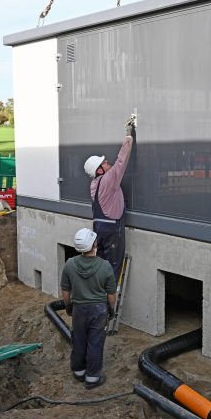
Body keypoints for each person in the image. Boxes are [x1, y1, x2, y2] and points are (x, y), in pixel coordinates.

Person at [61, 228, 116, 389]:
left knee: (78, 338)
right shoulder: (105, 266)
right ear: (95, 244)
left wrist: (68, 306)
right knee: (95, 342)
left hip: (79, 308)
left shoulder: (70, 264)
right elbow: (111, 294)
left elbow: (65, 291)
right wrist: (111, 309)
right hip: (99, 310)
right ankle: (92, 378)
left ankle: (78, 371)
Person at [83, 118, 134, 280]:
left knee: (101, 263)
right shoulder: (107, 180)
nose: (107, 162)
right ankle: (108, 300)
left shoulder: (94, 184)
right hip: (112, 229)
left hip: (99, 227)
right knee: (114, 266)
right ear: (99, 170)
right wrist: (128, 135)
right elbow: (121, 161)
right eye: (104, 163)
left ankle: (97, 291)